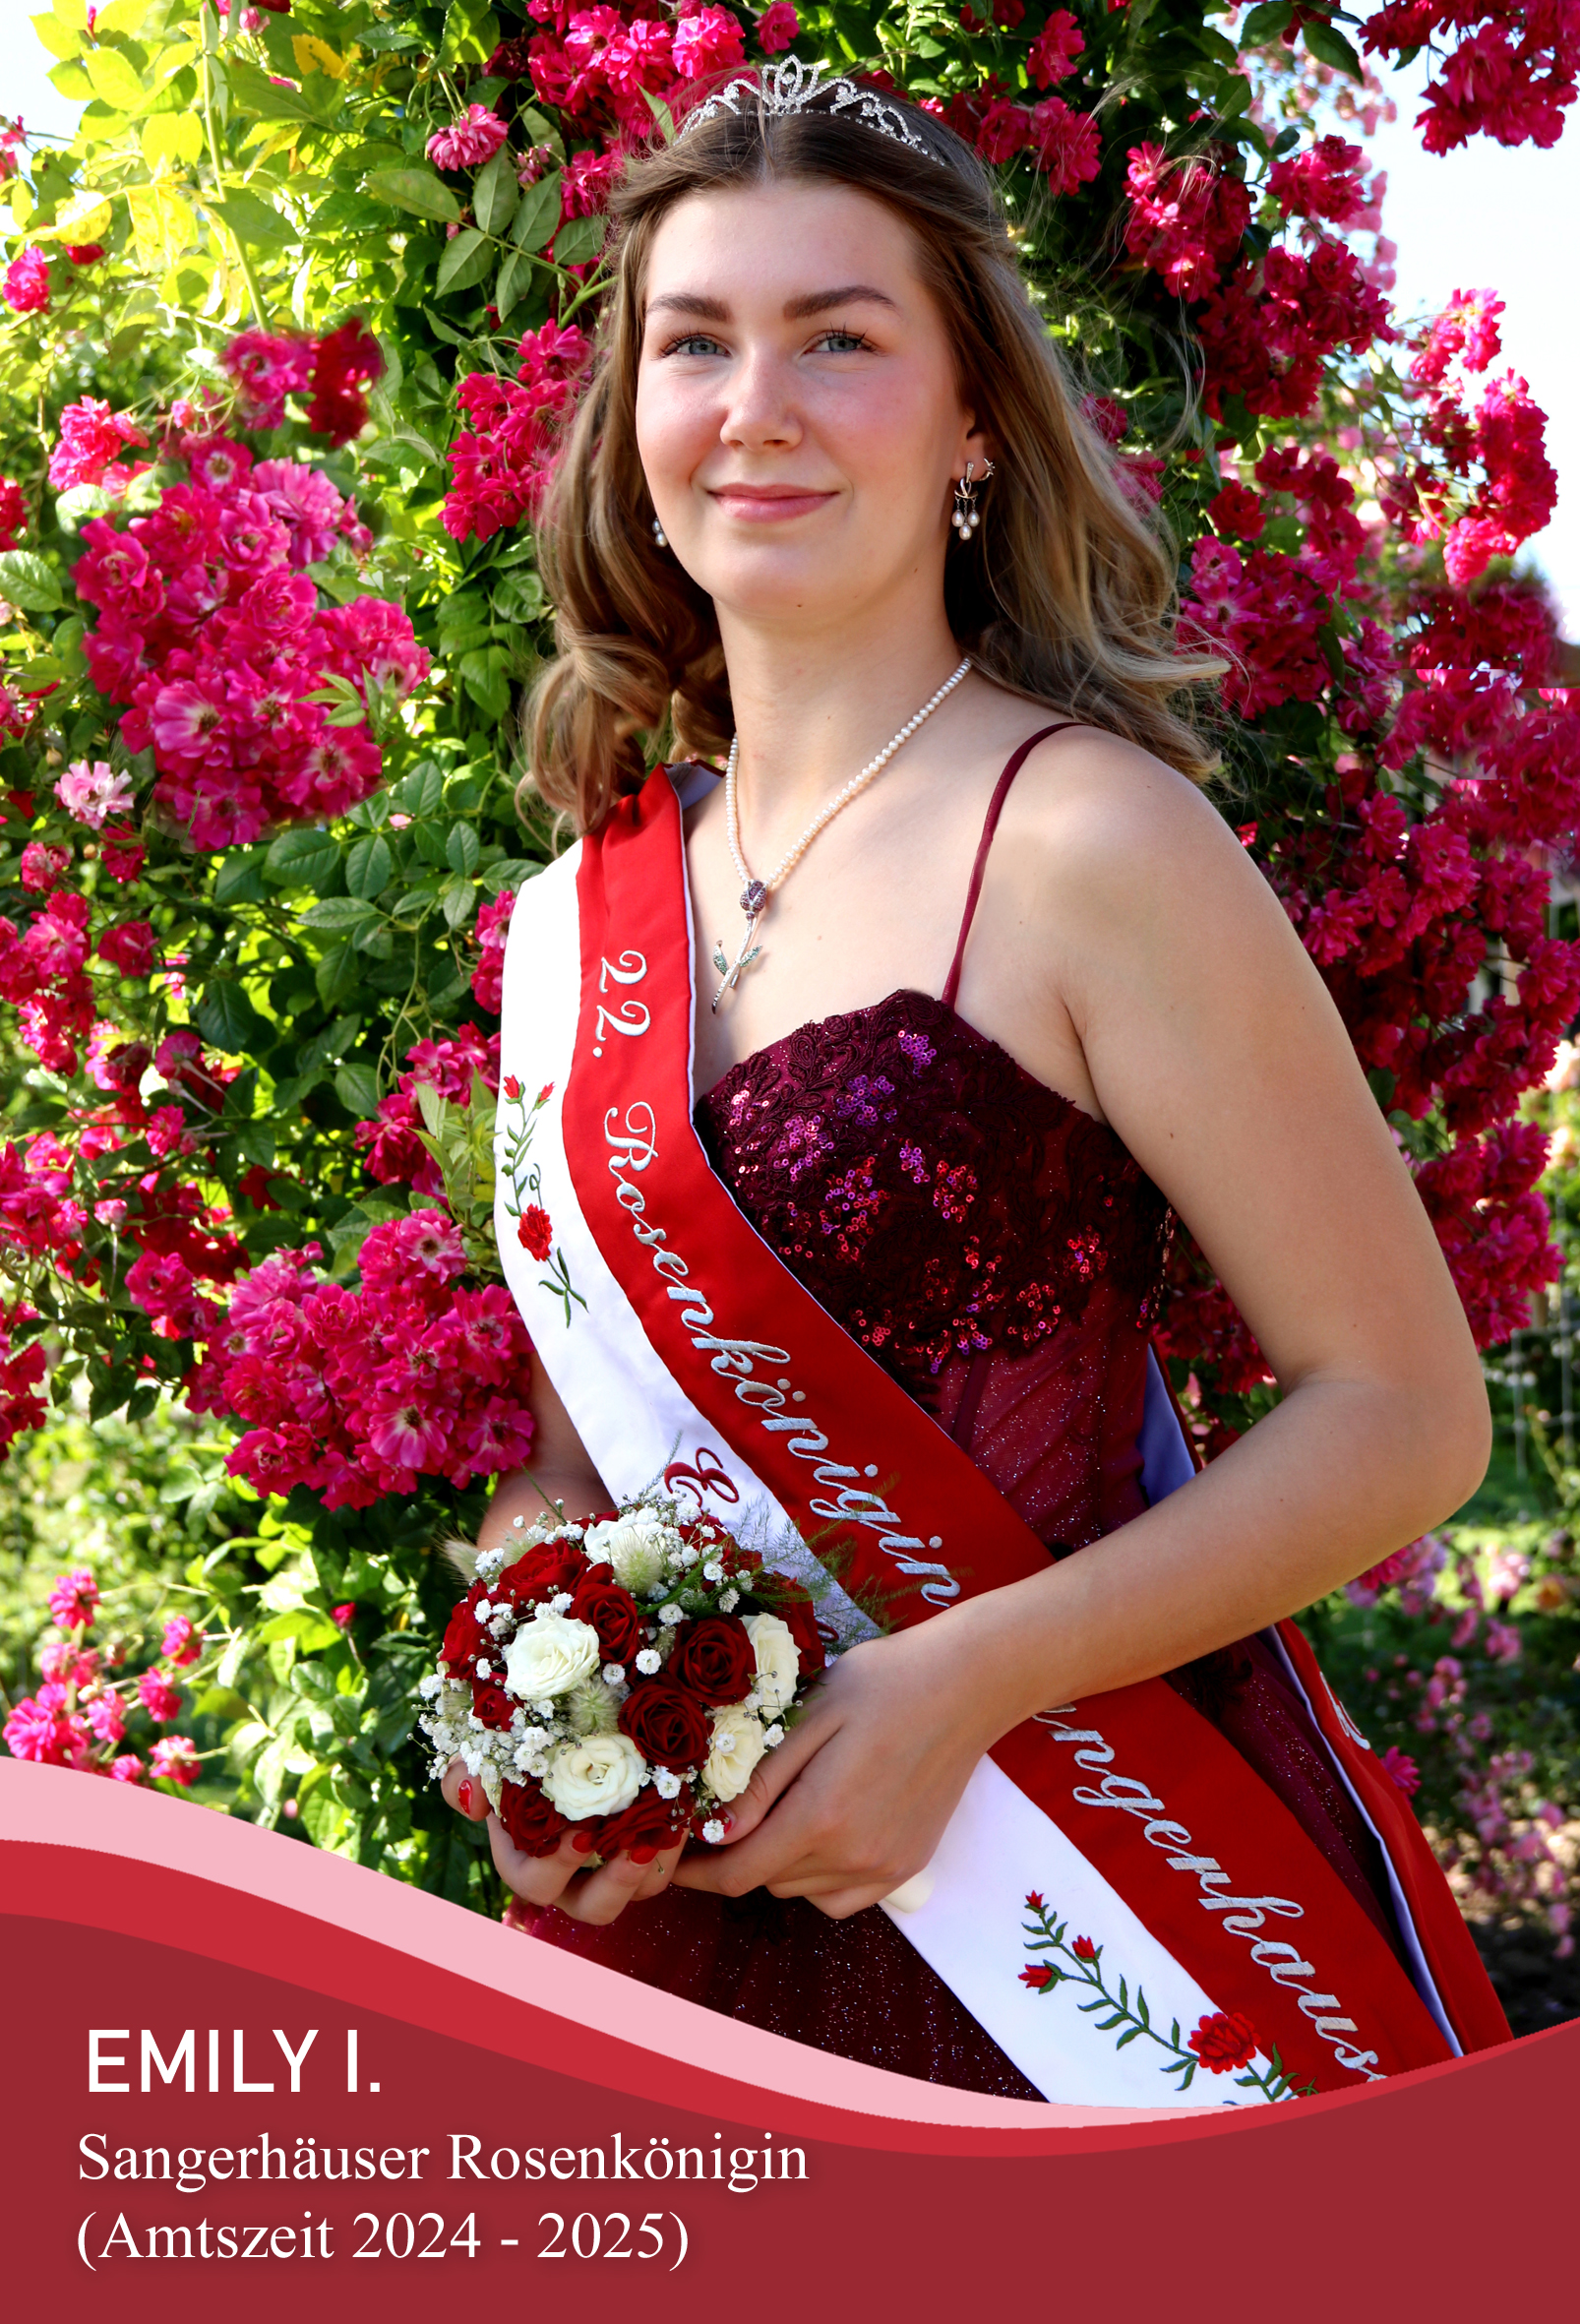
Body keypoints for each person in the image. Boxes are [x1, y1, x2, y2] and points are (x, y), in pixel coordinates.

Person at [442, 63, 1509, 2104]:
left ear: (971, 424)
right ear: (633, 424)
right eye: (695, 342)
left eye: (838, 339)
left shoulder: (1090, 841)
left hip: (1075, 1908)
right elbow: (581, 1465)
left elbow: (1400, 1415)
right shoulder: (572, 921)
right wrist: (538, 1702)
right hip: (683, 1939)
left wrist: (957, 1679)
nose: (755, 405)